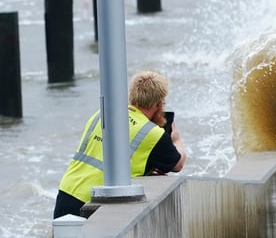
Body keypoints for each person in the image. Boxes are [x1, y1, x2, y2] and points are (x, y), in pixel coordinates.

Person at [53, 70, 187, 219]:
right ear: (159, 103)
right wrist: (176, 138)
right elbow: (177, 164)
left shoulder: (101, 114)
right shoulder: (153, 134)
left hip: (67, 192)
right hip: (98, 202)